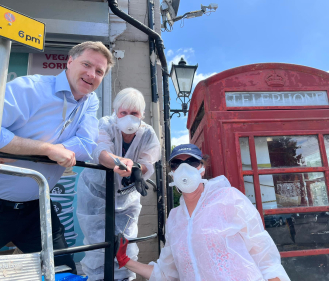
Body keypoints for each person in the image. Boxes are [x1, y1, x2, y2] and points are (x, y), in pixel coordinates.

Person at [0, 41, 114, 274]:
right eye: (86, 64)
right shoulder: (29, 88)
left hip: (37, 208)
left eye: (99, 71)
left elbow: (86, 144)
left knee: (63, 272)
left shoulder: (90, 101)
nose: (92, 74)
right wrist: (46, 149)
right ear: (69, 61)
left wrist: (21, 150)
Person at [115, 144, 291, 281]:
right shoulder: (175, 218)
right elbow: (166, 273)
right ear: (172, 173)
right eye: (176, 164)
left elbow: (265, 257)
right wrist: (125, 260)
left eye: (191, 162)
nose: (184, 168)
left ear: (202, 168)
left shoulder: (229, 198)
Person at [77, 87, 161, 281]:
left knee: (127, 239)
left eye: (134, 113)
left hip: (126, 195)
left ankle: (125, 278)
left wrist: (140, 168)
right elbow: (101, 152)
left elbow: (149, 161)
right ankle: (99, 278)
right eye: (123, 113)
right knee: (98, 241)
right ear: (116, 112)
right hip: (96, 193)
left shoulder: (147, 133)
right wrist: (123, 164)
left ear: (142, 114)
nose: (128, 118)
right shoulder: (105, 124)